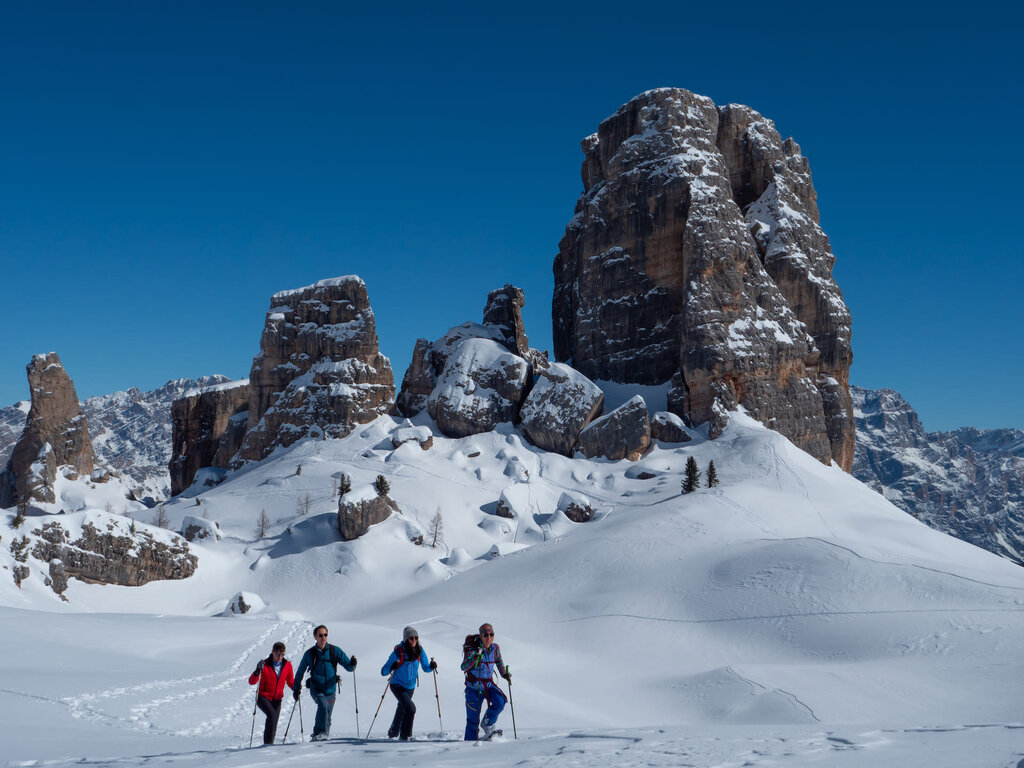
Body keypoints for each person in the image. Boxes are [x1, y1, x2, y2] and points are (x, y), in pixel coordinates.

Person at [292, 624, 357, 741]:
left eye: (325, 635)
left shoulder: (334, 651)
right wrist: (296, 688)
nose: (323, 638)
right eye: (320, 635)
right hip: (316, 688)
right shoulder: (310, 654)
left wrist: (353, 664)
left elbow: (349, 667)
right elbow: (300, 671)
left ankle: (322, 741)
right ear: (315, 637)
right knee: (323, 705)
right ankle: (318, 734)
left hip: (331, 690)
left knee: (327, 716)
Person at [380, 625, 437, 740]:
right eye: (411, 638)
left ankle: (393, 732)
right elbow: (383, 671)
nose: (414, 640)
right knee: (410, 708)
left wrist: (432, 667)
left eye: (416, 637)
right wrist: (392, 666)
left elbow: (425, 668)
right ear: (406, 639)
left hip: (410, 687)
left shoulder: (419, 651)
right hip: (397, 685)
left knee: (402, 708)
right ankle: (405, 736)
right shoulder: (398, 652)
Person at [461, 622, 510, 740]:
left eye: (491, 635)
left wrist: (504, 674)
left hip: (488, 685)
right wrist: (476, 658)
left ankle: (487, 723)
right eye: (485, 635)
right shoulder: (474, 649)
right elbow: (464, 667)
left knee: (500, 701)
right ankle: (468, 746)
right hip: (474, 688)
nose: (489, 638)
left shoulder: (495, 648)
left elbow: (499, 661)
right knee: (472, 721)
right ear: (481, 636)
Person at [248, 641, 295, 745]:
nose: (280, 657)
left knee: (273, 723)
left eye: (282, 654)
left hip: (277, 699)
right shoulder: (265, 664)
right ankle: (267, 746)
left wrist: (296, 689)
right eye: (277, 654)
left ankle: (270, 745)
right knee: (272, 716)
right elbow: (252, 681)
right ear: (272, 652)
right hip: (263, 697)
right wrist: (257, 671)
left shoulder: (287, 665)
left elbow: (290, 681)